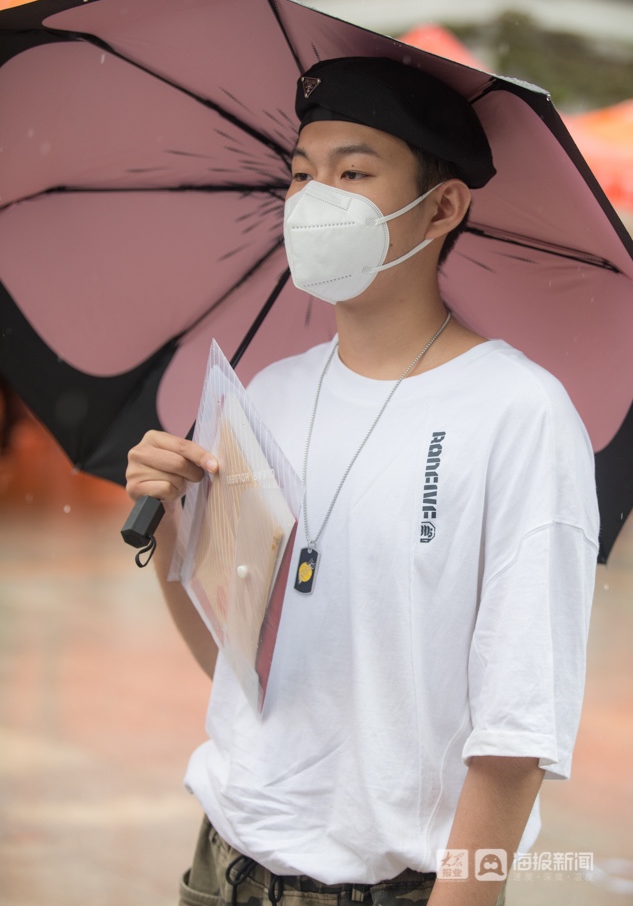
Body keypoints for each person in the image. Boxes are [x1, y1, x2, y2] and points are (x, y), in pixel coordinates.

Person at [126, 56, 599, 906]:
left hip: (394, 888)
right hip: (222, 866)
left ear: (442, 208)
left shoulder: (518, 413)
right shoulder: (267, 395)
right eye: (299, 175)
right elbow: (239, 665)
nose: (313, 201)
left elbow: (517, 728)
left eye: (351, 174)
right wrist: (170, 531)